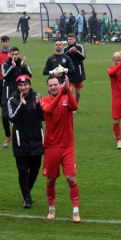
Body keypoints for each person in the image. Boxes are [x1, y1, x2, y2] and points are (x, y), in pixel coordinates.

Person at [40, 75, 81, 223]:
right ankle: (51, 208)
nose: (53, 87)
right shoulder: (44, 101)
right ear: (47, 87)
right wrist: (62, 92)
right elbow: (49, 110)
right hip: (51, 147)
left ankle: (75, 211)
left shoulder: (67, 98)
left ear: (59, 85)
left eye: (55, 84)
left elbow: (75, 106)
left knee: (71, 178)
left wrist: (68, 91)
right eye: (50, 85)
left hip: (67, 146)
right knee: (51, 180)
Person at [8, 75, 44, 209]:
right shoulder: (12, 100)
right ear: (17, 86)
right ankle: (27, 198)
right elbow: (13, 118)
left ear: (29, 84)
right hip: (20, 140)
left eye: (25, 85)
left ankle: (26, 192)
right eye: (20, 85)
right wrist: (22, 105)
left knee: (35, 169)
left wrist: (40, 105)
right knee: (23, 171)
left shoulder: (37, 97)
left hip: (36, 139)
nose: (23, 87)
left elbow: (43, 117)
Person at [1, 47, 32, 147]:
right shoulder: (5, 65)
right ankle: (8, 136)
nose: (14, 56)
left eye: (16, 54)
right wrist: (12, 67)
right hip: (7, 94)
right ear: (9, 55)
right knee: (5, 116)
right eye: (12, 54)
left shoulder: (23, 64)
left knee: (18, 116)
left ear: (19, 54)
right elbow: (5, 76)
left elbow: (29, 76)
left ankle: (19, 136)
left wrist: (22, 67)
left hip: (19, 95)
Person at [0, 36, 12, 147]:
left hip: (10, 79)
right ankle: (3, 109)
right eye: (3, 42)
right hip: (1, 78)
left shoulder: (12, 53)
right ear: (1, 43)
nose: (5, 44)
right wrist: (3, 64)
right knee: (0, 96)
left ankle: (8, 111)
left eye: (6, 42)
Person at [64, 34, 86, 108]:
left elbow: (83, 57)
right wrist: (69, 52)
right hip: (69, 73)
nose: (69, 41)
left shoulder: (80, 47)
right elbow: (63, 58)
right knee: (70, 91)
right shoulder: (65, 49)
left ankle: (76, 103)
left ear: (75, 40)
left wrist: (76, 51)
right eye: (68, 39)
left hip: (78, 73)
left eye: (71, 39)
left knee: (78, 93)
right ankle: (71, 106)